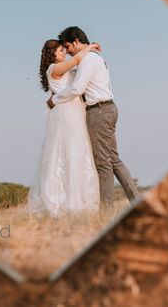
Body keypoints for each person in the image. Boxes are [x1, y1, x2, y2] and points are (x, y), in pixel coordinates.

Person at [47, 26, 139, 211]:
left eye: (68, 46)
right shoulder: (94, 57)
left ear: (76, 41)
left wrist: (54, 100)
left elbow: (77, 88)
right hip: (108, 107)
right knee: (113, 159)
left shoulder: (88, 59)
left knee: (103, 163)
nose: (68, 52)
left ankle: (105, 211)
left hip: (99, 111)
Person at [27, 39, 101, 217]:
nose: (64, 53)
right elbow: (76, 60)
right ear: (52, 54)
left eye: (63, 49)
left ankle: (79, 199)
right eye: (61, 50)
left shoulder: (66, 69)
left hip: (76, 112)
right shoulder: (53, 69)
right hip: (65, 115)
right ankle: (62, 202)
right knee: (66, 151)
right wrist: (89, 47)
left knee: (78, 151)